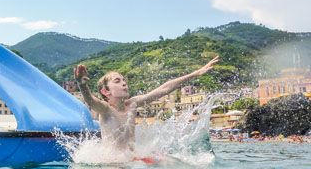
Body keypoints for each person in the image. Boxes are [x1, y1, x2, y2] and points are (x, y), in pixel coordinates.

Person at [74, 56, 219, 151]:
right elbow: (90, 100)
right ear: (106, 92)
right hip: (114, 166)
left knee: (171, 162)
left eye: (124, 80)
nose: (124, 83)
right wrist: (81, 84)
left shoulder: (132, 104)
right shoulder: (106, 109)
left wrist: (195, 73)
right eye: (117, 81)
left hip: (132, 159)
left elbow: (164, 89)